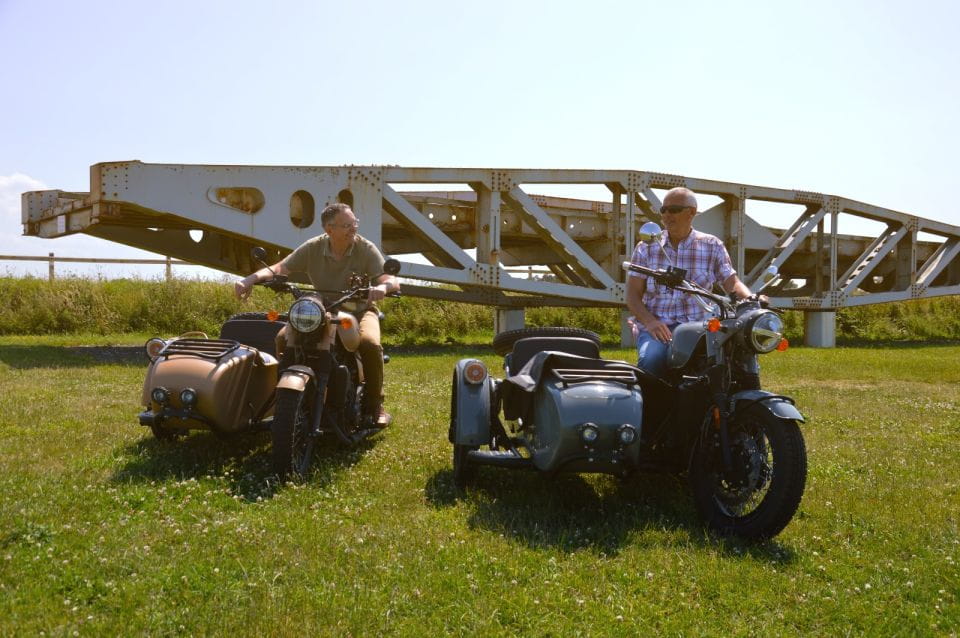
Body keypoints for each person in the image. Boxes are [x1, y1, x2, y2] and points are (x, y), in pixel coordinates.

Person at [235, 202, 400, 426]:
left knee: (370, 344)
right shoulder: (313, 247)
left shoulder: (365, 248)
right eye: (347, 225)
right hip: (322, 308)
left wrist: (382, 288)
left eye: (354, 223)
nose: (354, 228)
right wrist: (249, 279)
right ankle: (284, 400)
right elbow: (281, 267)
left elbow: (391, 280)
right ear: (329, 229)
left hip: (359, 311)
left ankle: (375, 404)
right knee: (283, 339)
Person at [626, 187, 756, 379]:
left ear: (692, 212)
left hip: (701, 327)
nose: (666, 215)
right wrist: (650, 322)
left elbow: (731, 282)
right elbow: (632, 295)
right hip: (660, 327)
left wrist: (752, 299)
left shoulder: (712, 245)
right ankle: (652, 408)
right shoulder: (647, 247)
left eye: (674, 210)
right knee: (651, 359)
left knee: (731, 362)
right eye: (663, 210)